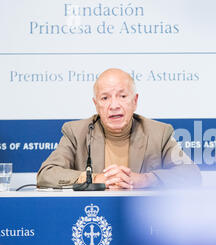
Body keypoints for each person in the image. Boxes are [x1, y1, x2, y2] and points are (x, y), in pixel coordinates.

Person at [37, 68, 201, 189]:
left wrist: (144, 180)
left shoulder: (159, 133)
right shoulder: (76, 133)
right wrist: (95, 179)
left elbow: (192, 175)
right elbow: (46, 174)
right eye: (105, 98)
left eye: (122, 96)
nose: (114, 105)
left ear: (134, 101)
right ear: (96, 104)